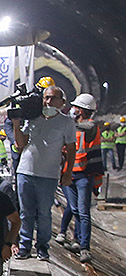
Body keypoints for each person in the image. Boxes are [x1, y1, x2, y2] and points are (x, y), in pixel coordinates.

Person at [11, 85, 76, 261]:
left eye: (53, 98)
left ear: (62, 102)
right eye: (46, 98)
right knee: (26, 212)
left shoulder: (66, 122)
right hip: (25, 171)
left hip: (48, 175)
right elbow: (21, 144)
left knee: (44, 213)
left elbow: (71, 149)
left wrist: (68, 172)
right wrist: (16, 125)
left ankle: (42, 247)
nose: (48, 101)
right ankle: (25, 246)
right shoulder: (33, 119)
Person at [59, 93, 102, 263]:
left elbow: (86, 128)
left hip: (84, 175)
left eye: (76, 107)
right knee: (75, 209)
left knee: (83, 212)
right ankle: (76, 240)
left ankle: (85, 248)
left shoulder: (90, 127)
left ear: (83, 110)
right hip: (69, 174)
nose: (73, 109)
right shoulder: (72, 127)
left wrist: (65, 123)